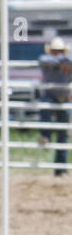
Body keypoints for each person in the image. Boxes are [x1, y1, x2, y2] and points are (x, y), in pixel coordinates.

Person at [38, 37, 72, 176]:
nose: (57, 53)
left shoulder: (67, 62)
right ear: (51, 51)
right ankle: (45, 135)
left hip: (64, 98)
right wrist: (62, 62)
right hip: (51, 96)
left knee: (63, 134)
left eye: (60, 51)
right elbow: (43, 60)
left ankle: (60, 169)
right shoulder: (46, 60)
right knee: (45, 109)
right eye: (55, 51)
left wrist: (65, 62)